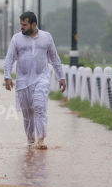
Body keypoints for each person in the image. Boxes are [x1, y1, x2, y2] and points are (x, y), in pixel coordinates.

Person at [4, 12, 66, 150]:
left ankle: (41, 139)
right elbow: (9, 59)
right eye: (20, 24)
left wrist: (61, 77)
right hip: (22, 81)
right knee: (27, 115)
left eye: (24, 25)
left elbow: (54, 58)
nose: (22, 27)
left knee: (39, 108)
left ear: (33, 24)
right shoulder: (16, 39)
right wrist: (7, 76)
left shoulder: (46, 37)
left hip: (41, 79)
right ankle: (30, 139)